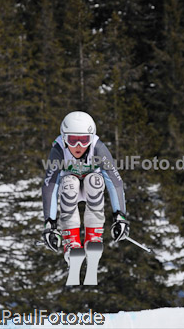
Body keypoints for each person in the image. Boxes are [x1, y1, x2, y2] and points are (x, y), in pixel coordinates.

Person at [41, 111, 129, 262]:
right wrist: (50, 223)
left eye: (84, 140)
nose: (78, 146)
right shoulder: (59, 150)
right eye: (72, 140)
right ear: (64, 138)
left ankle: (93, 237)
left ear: (91, 137)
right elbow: (51, 185)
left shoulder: (98, 148)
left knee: (94, 181)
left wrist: (120, 216)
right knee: (70, 183)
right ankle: (71, 240)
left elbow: (114, 181)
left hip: (91, 188)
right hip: (69, 188)